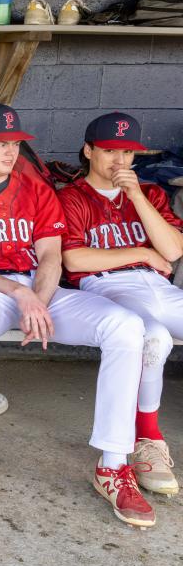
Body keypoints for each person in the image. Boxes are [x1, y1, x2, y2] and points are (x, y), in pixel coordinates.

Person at [0, 103, 153, 527]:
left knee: (126, 326)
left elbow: (51, 255)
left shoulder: (36, 190)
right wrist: (20, 294)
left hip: (41, 287)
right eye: (0, 143)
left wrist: (38, 295)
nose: (11, 151)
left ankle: (113, 464)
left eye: (16, 143)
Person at [59, 112, 183, 496]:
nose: (119, 161)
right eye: (110, 150)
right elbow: (76, 261)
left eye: (128, 152)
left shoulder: (152, 194)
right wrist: (143, 254)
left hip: (159, 288)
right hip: (109, 288)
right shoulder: (71, 196)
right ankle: (148, 439)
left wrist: (136, 196)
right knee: (155, 338)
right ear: (89, 150)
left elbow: (174, 250)